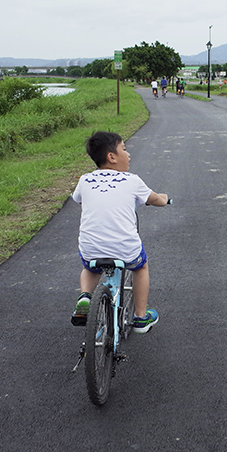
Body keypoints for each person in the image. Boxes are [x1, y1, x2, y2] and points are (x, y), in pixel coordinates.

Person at [70, 131, 170, 333]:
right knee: (140, 267)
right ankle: (140, 317)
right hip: (125, 249)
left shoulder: (85, 180)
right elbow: (155, 200)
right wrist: (164, 198)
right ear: (112, 157)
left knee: (90, 268)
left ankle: (85, 297)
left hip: (91, 248)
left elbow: (78, 199)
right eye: (124, 149)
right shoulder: (132, 181)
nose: (128, 154)